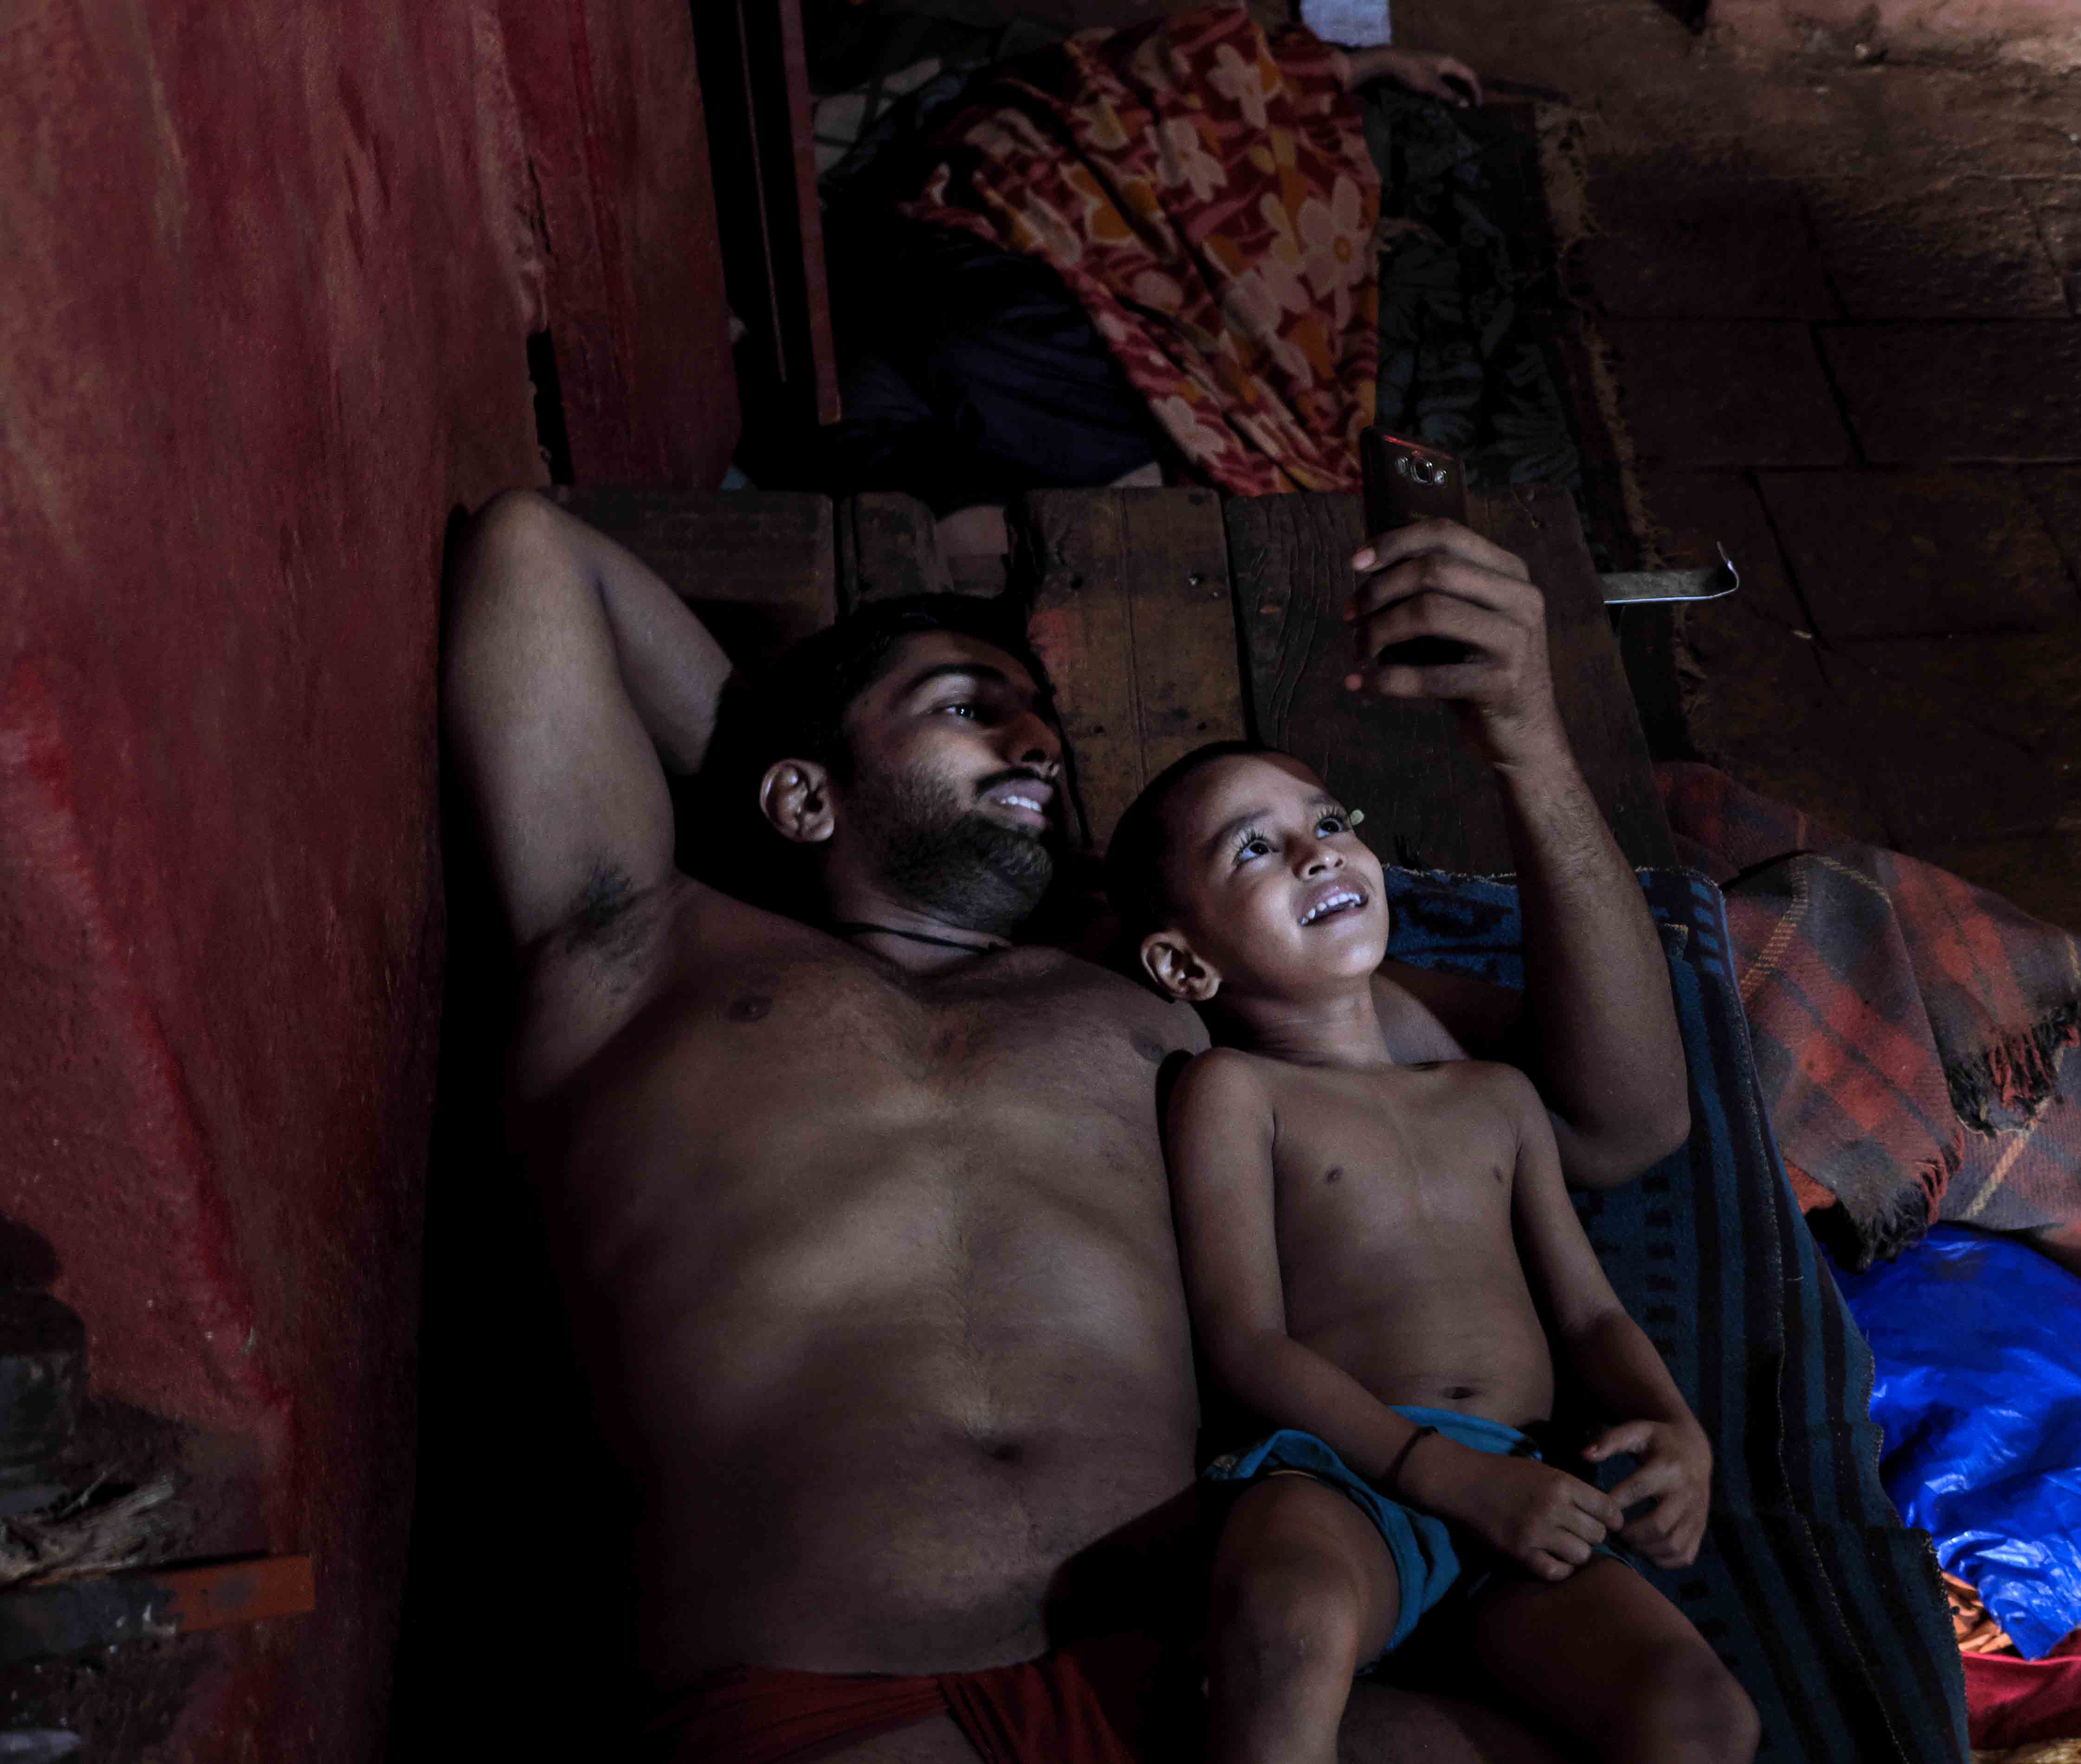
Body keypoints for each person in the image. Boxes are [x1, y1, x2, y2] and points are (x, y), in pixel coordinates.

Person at [439, 492, 1688, 1762]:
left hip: (1189, 1691)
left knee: (1685, 1738)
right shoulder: (638, 948)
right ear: (802, 795)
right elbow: (531, 551)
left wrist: (1530, 739)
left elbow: (1619, 1119)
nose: (1039, 742)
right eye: (975, 709)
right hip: (822, 1697)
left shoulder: (1167, 991)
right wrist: (797, 772)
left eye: (1045, 723)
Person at [1108, 742, 1763, 1764]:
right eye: (1254, 849)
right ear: (1184, 963)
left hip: (1524, 1485)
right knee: (1283, 1625)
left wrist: (1680, 1432)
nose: (1318, 856)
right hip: (1340, 1478)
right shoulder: (1236, 1091)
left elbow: (1589, 1315)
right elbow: (1243, 1340)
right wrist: (1435, 1470)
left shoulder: (1494, 1095)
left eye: (1329, 823)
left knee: (1701, 1713)